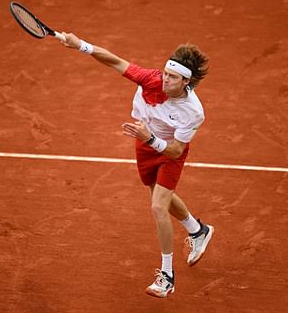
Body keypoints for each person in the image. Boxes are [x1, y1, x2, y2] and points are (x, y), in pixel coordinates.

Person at [60, 33, 214, 298]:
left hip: (168, 150)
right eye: (166, 73)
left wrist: (151, 138)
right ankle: (198, 230)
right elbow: (114, 61)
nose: (165, 79)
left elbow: (176, 150)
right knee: (158, 195)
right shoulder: (151, 79)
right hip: (144, 143)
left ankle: (167, 276)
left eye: (173, 77)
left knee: (157, 206)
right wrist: (80, 45)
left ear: (186, 82)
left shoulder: (194, 111)